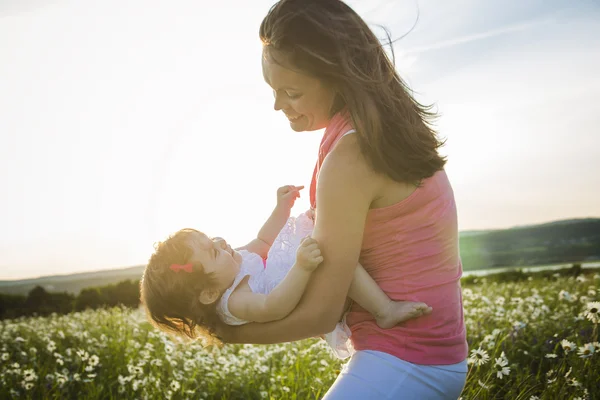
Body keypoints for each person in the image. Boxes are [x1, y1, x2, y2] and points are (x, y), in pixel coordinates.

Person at [215, 0, 469, 398]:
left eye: (291, 92)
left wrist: (225, 332)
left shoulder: (350, 156)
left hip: (409, 360)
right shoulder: (371, 131)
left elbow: (322, 313)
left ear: (336, 77)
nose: (278, 104)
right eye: (274, 90)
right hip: (420, 355)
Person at [140, 184, 431, 358]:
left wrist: (281, 207)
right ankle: (384, 310)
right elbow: (274, 306)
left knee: (332, 242)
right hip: (302, 293)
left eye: (212, 238)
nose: (220, 242)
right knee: (335, 256)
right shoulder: (234, 301)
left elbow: (265, 240)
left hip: (300, 279)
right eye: (213, 250)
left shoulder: (233, 264)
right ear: (209, 293)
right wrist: (303, 267)